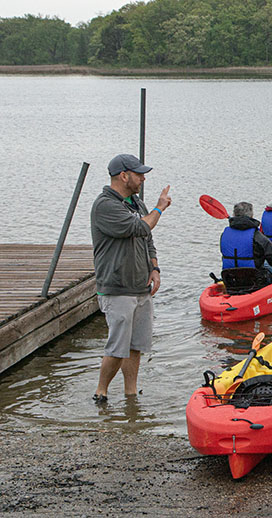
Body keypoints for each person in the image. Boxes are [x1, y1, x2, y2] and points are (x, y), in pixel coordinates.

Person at [91, 154, 171, 404]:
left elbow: (148, 240)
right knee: (117, 346)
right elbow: (140, 228)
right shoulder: (105, 205)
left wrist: (155, 268)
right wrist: (160, 207)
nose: (143, 178)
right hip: (117, 287)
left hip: (140, 286)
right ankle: (101, 392)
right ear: (123, 176)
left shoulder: (136, 203)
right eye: (138, 174)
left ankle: (130, 394)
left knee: (136, 345)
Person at [220, 201, 272, 282]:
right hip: (255, 281)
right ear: (251, 215)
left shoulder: (224, 234)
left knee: (264, 263)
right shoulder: (258, 236)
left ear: (234, 214)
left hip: (231, 280)